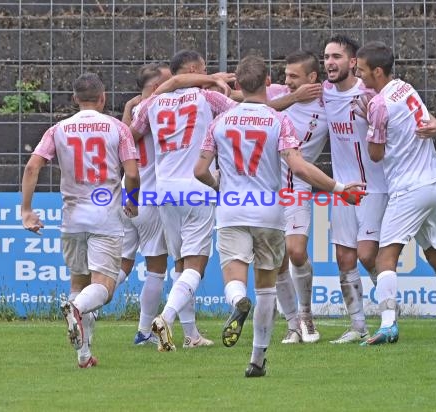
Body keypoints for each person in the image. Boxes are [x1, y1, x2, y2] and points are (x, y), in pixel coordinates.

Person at [194, 55, 364, 377]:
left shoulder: (220, 122)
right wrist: (339, 188)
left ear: (239, 85)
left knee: (235, 278)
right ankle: (257, 360)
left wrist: (220, 187)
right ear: (268, 81)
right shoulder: (278, 120)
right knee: (267, 288)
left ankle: (237, 301)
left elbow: (200, 170)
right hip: (269, 211)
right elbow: (298, 166)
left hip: (231, 209)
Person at [323, 35, 436, 344]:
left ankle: (388, 312)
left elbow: (413, 115)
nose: (329, 63)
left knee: (368, 256)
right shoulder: (322, 93)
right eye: (326, 57)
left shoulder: (371, 93)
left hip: (375, 186)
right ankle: (358, 325)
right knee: (343, 258)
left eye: (336, 57)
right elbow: (283, 94)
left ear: (354, 64)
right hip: (342, 186)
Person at [356, 41, 436, 345]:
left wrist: (368, 120)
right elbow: (418, 124)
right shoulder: (404, 87)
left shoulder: (380, 105)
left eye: (362, 72)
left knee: (386, 256)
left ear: (378, 71)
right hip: (433, 184)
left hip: (408, 188)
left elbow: (375, 154)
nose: (359, 78)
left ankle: (387, 325)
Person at [21, 72, 140, 367]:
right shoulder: (117, 129)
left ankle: (84, 355)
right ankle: (75, 308)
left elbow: (33, 166)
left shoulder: (58, 129)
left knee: (79, 281)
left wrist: (26, 210)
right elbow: (133, 173)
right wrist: (132, 200)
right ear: (103, 98)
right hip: (105, 219)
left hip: (73, 219)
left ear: (75, 99)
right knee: (104, 289)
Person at [130, 50, 236, 351]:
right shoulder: (207, 98)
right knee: (196, 266)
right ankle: (165, 317)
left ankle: (191, 335)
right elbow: (243, 113)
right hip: (197, 187)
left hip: (164, 190)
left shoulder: (151, 103)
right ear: (193, 70)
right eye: (204, 69)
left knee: (179, 265)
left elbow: (133, 132)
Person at [266, 51, 329, 344]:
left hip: (298, 185)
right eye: (286, 75)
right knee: (277, 259)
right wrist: (291, 97)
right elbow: (246, 101)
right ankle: (292, 325)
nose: (286, 81)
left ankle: (305, 315)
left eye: (294, 77)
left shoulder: (329, 101)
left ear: (312, 78)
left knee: (296, 252)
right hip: (266, 187)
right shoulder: (278, 95)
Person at [118, 63, 171, 346]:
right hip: (147, 198)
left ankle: (84, 306)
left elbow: (125, 136)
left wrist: (128, 106)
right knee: (156, 268)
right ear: (154, 89)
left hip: (126, 195)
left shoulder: (135, 115)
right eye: (168, 82)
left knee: (124, 265)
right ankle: (143, 332)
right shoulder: (157, 111)